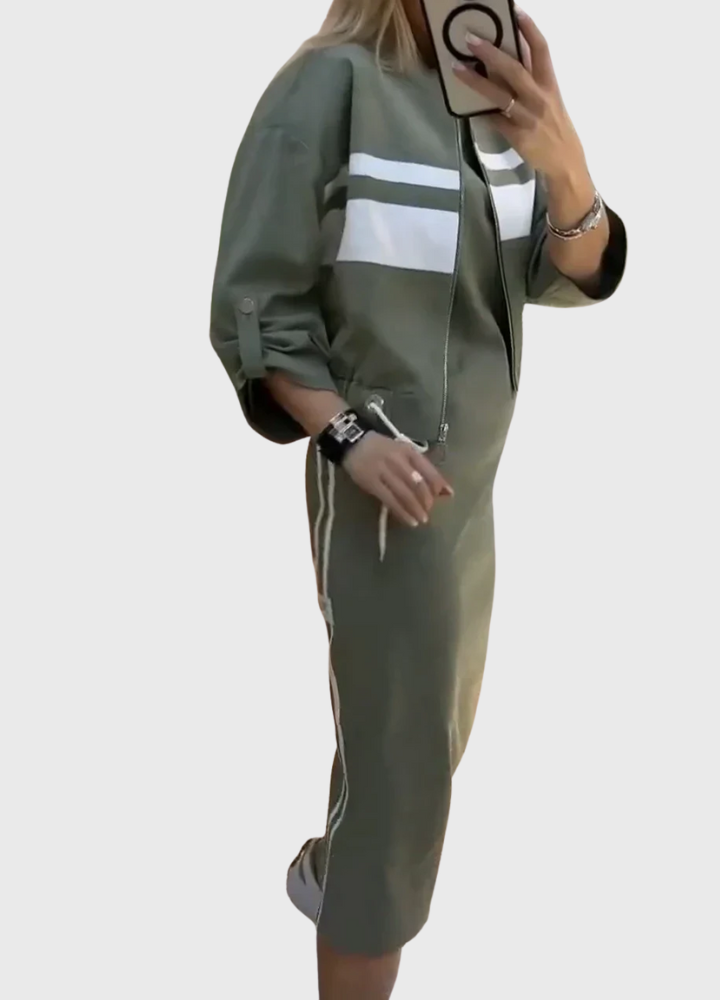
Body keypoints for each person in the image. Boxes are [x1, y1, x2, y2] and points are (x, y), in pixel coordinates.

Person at [210, 0, 626, 995]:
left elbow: (569, 269)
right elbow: (256, 301)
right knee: (401, 806)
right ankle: (353, 881)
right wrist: (346, 435)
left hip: (470, 500)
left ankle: (340, 863)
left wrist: (562, 158)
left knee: (423, 760)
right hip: (383, 504)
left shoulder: (492, 100)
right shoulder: (326, 90)